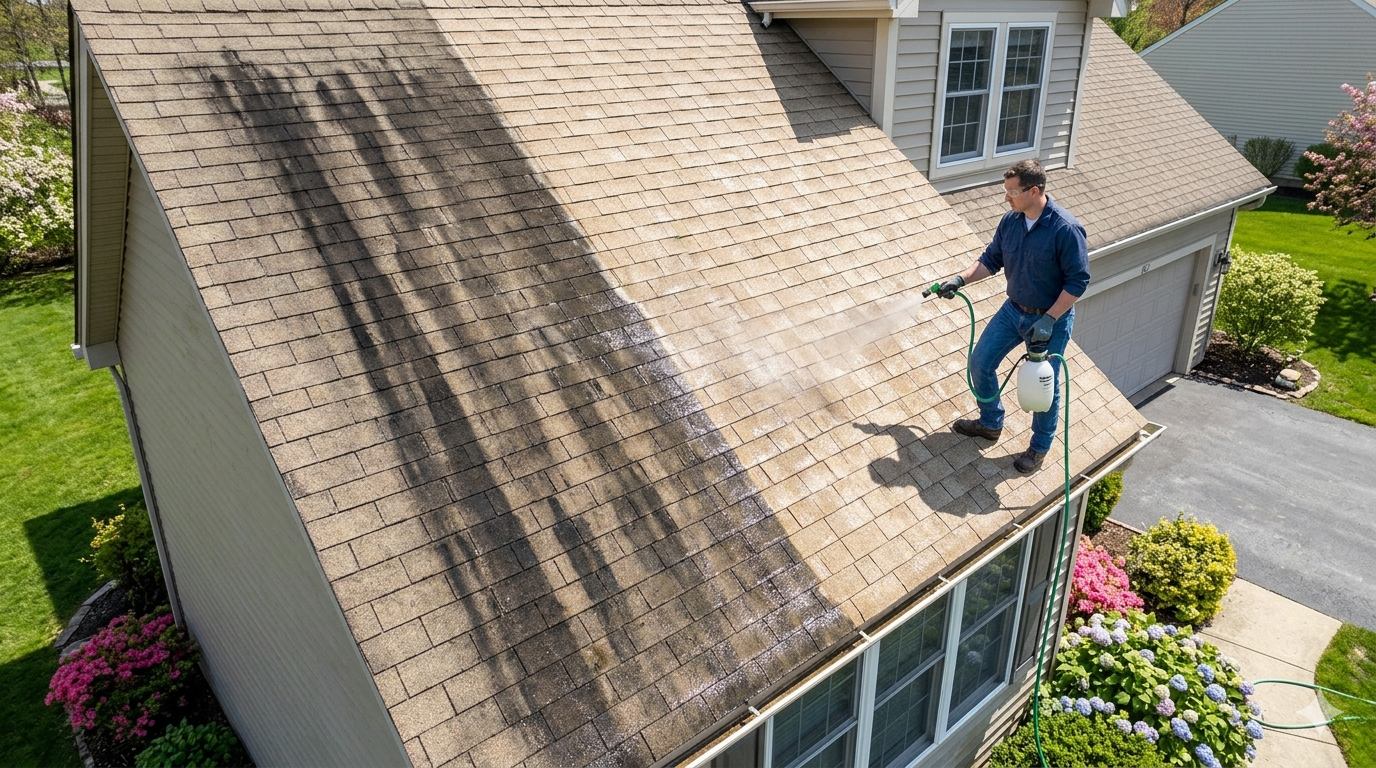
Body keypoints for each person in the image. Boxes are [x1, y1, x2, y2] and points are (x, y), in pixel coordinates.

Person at [932, 159, 1090, 473]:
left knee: (1045, 387)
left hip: (1051, 321)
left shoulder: (1065, 229)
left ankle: (1039, 447)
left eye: (1012, 192)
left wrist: (1050, 319)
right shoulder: (1011, 221)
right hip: (1013, 310)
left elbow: (1078, 281)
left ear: (1034, 191)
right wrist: (960, 279)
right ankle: (990, 423)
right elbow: (992, 260)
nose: (1007, 197)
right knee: (981, 362)